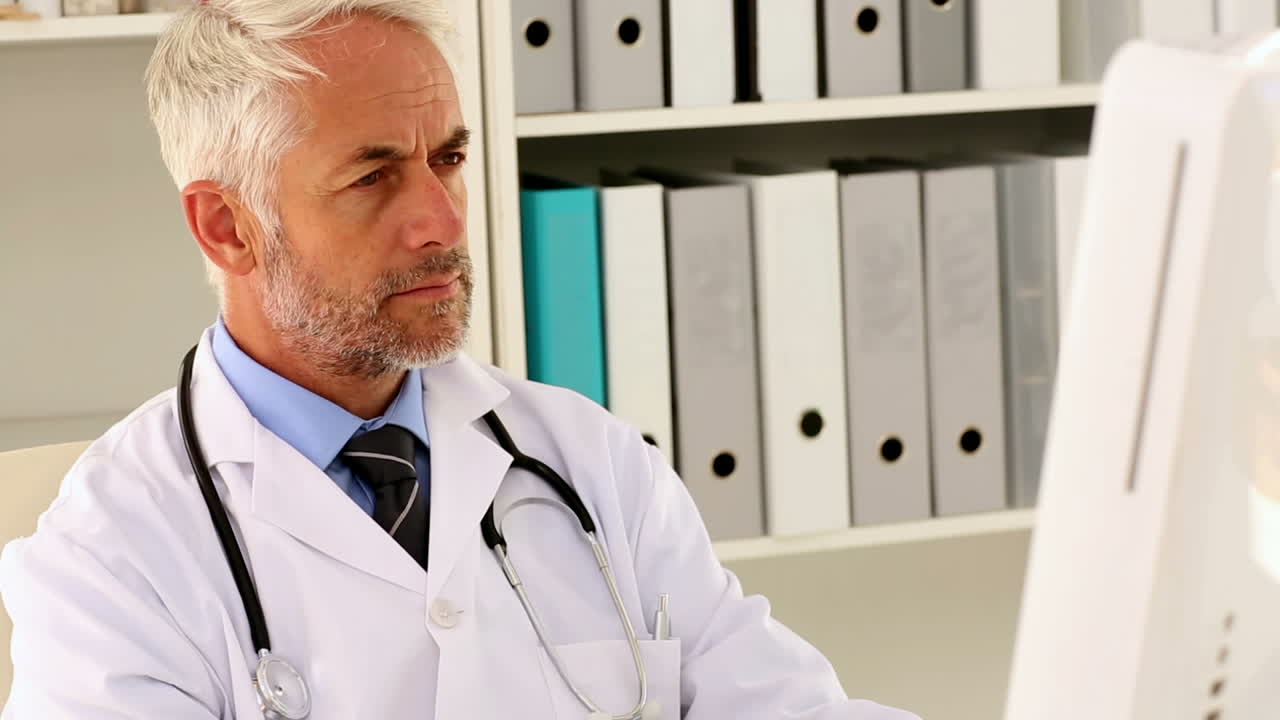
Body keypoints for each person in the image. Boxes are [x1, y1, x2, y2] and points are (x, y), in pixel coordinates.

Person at [0, 1, 921, 718]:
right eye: (372, 178)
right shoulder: (110, 557)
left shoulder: (585, 461)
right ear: (227, 226)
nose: (441, 220)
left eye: (447, 158)